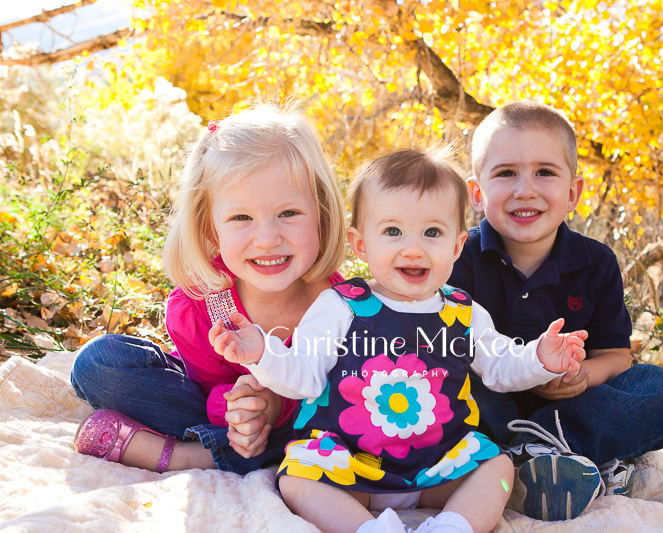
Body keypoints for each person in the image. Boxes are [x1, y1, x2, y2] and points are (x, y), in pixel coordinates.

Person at [209, 147, 590, 533]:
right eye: (392, 231)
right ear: (360, 244)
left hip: (440, 464)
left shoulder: (463, 311)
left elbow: (501, 367)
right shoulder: (341, 306)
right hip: (350, 464)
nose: (413, 248)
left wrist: (539, 357)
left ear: (457, 246)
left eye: (432, 232)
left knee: (499, 469)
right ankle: (369, 529)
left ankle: (454, 526)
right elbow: (303, 376)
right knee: (296, 479)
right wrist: (262, 352)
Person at [70, 103, 348, 475]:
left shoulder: (343, 306)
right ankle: (223, 451)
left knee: (331, 430)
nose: (267, 239)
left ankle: (187, 454)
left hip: (299, 425)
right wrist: (239, 408)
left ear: (322, 213)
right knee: (100, 363)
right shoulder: (203, 305)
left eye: (289, 213)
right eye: (241, 218)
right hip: (210, 405)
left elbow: (340, 394)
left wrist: (273, 407)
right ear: (209, 229)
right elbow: (207, 390)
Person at [448, 100, 663, 521]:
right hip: (492, 405)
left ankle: (537, 456)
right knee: (448, 385)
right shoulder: (457, 256)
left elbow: (615, 356)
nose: (526, 189)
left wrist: (580, 379)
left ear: (574, 192)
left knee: (658, 390)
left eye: (545, 172)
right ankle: (551, 463)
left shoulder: (595, 262)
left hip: (572, 411)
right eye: (506, 173)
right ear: (477, 192)